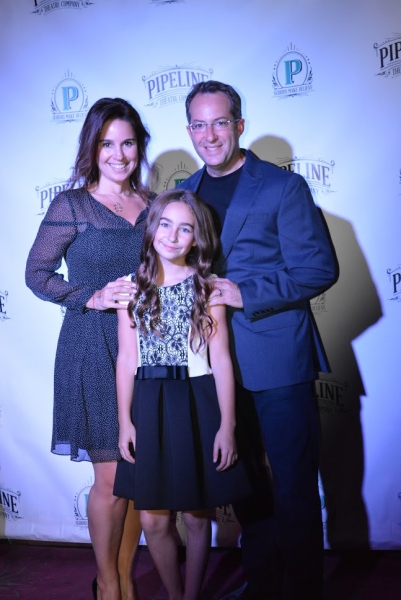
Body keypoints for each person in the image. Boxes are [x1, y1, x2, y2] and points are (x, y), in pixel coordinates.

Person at [178, 80, 338, 600]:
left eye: (220, 122)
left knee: (292, 486)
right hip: (213, 363)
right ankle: (263, 584)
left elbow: (318, 268)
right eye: (199, 124)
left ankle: (304, 590)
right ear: (189, 131)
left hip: (276, 357)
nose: (210, 134)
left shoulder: (281, 187)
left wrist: (246, 292)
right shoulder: (186, 194)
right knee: (242, 486)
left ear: (239, 124)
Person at [25, 97, 154, 600]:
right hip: (92, 348)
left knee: (139, 479)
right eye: (107, 144)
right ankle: (107, 583)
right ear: (92, 147)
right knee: (111, 479)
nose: (119, 154)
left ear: (139, 145)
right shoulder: (71, 206)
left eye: (127, 142)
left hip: (148, 350)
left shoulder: (155, 204)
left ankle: (122, 577)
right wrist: (90, 296)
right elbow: (36, 274)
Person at [113, 189, 251, 600]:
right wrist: (125, 420)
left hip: (196, 400)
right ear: (152, 227)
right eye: (166, 224)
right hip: (148, 402)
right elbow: (126, 359)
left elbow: (222, 359)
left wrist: (227, 424)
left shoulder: (208, 288)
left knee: (195, 515)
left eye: (185, 228)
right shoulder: (129, 288)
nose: (173, 236)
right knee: (153, 520)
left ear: (197, 238)